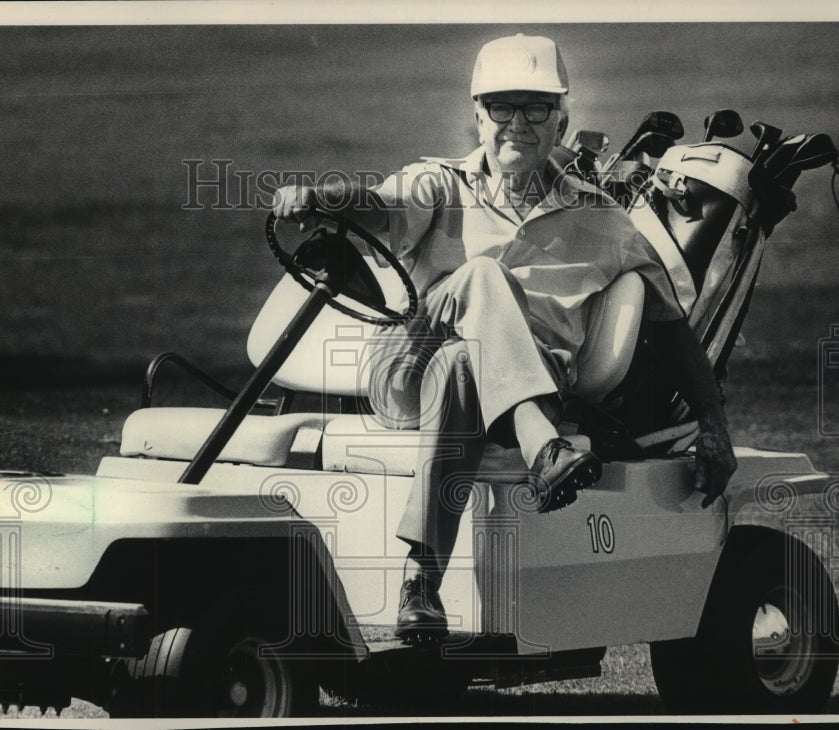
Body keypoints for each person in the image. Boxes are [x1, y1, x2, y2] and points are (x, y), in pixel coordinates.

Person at [273, 34, 737, 643]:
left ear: (562, 119)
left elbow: (674, 334)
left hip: (482, 387)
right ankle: (543, 447)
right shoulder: (438, 184)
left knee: (466, 365)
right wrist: (324, 196)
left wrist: (713, 426)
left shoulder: (605, 220)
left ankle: (421, 581)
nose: (516, 123)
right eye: (500, 107)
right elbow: (375, 207)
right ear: (477, 115)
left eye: (535, 108)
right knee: (482, 277)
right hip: (408, 364)